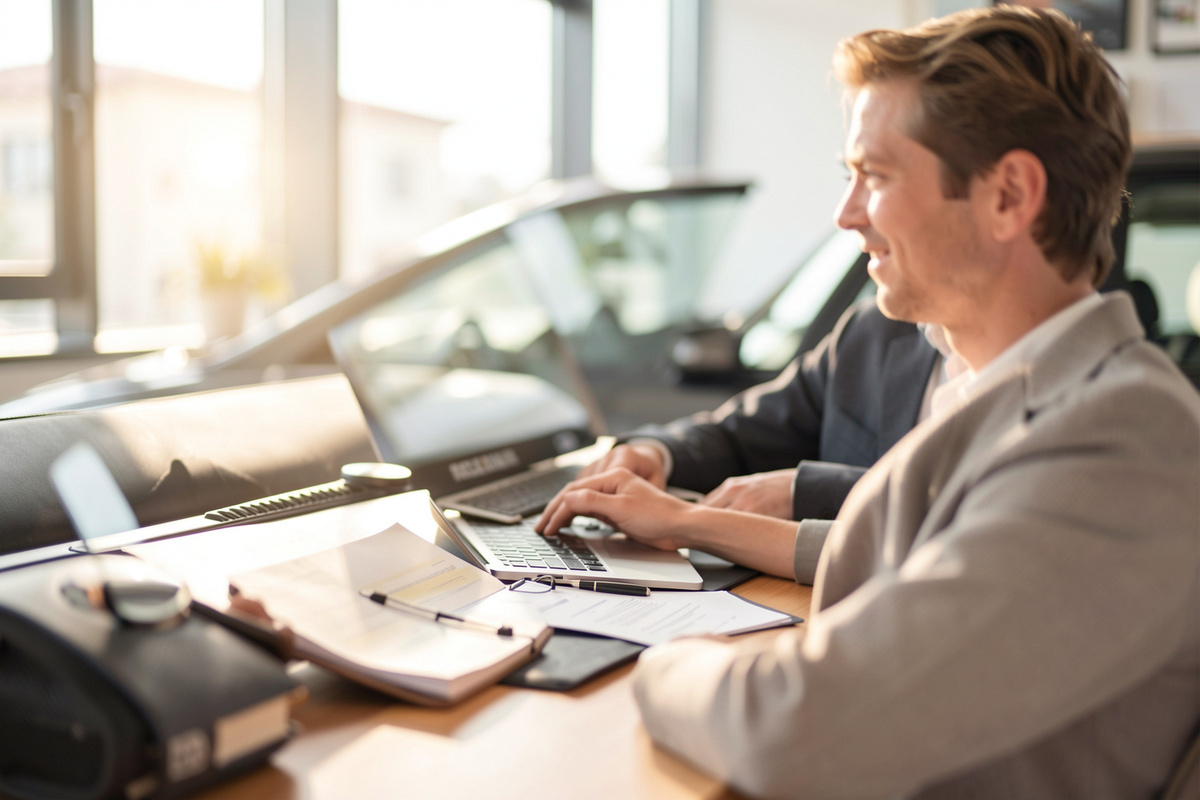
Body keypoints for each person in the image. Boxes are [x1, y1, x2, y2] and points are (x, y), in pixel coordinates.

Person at [537, 6, 1200, 798]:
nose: (846, 213)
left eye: (876, 176)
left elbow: (791, 729)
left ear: (1009, 195)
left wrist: (655, 656)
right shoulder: (1002, 390)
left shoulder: (1123, 445)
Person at [582, 296, 943, 524]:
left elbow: (956, 500)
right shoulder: (874, 332)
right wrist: (659, 452)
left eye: (878, 179)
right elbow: (744, 433)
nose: (846, 216)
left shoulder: (998, 386)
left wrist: (803, 493)